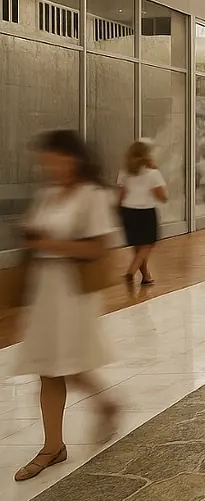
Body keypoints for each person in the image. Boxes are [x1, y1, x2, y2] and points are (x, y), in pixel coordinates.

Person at [13, 130, 120, 482]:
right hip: (45, 288)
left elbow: (98, 249)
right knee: (48, 366)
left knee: (69, 363)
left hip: (74, 290)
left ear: (73, 158)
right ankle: (53, 446)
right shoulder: (47, 195)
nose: (50, 166)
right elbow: (36, 239)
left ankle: (105, 405)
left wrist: (49, 242)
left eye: (56, 159)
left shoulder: (93, 196)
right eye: (46, 161)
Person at [116, 140, 167, 286]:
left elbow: (121, 194)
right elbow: (161, 196)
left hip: (127, 211)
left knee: (138, 247)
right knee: (148, 244)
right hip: (145, 211)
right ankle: (131, 271)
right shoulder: (153, 173)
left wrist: (118, 212)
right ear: (147, 156)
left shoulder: (124, 173)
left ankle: (146, 276)